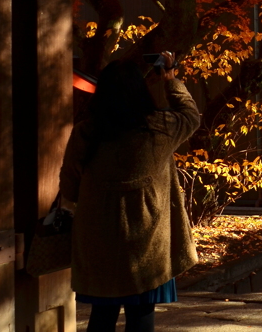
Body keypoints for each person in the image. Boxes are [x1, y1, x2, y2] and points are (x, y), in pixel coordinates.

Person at [59, 53, 200, 332]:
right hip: (148, 242)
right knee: (141, 315)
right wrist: (169, 77)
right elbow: (190, 115)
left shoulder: (86, 132)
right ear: (141, 90)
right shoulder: (160, 127)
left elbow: (69, 186)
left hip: (99, 240)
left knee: (101, 316)